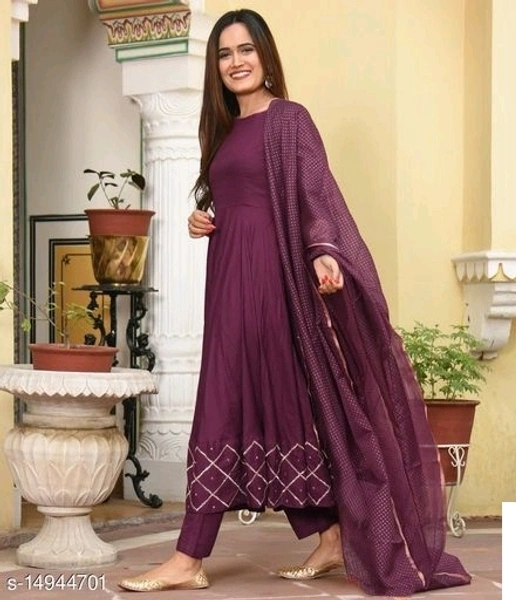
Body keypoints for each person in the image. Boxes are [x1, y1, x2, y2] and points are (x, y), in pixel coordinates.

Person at [118, 8, 471, 597]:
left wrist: (324, 252)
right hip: (228, 278)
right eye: (224, 54)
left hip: (272, 282)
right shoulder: (221, 129)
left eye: (246, 50)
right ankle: (329, 533)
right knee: (273, 404)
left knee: (225, 400)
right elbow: (237, 196)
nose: (236, 62)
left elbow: (313, 193)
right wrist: (204, 218)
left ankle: (188, 556)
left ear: (266, 55)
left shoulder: (290, 119)